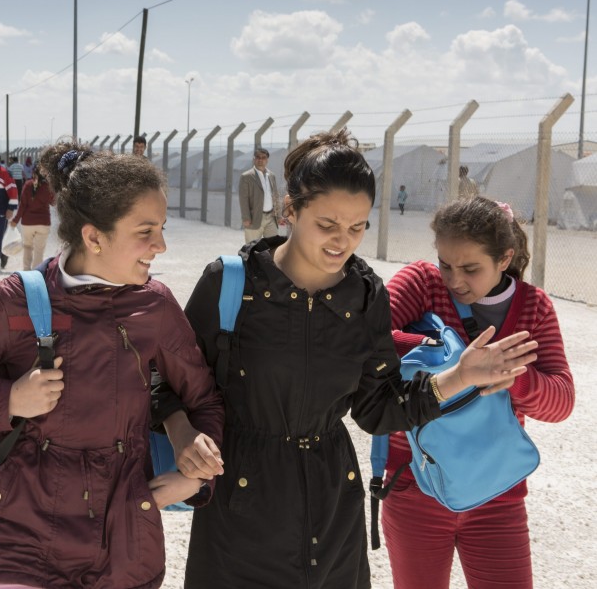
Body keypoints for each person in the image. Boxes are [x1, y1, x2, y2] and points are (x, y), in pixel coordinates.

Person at [154, 129, 537, 588]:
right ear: (291, 211)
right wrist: (181, 435)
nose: (343, 242)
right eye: (328, 225)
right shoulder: (231, 283)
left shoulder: (366, 293)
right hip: (240, 507)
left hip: (333, 505)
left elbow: (377, 409)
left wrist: (460, 376)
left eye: (357, 227)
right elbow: (165, 379)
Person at [0, 142, 224, 589]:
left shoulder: (155, 307)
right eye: (146, 231)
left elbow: (204, 399)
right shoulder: (13, 300)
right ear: (94, 237)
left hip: (125, 549)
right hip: (21, 544)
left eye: (162, 227)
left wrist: (194, 481)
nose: (161, 245)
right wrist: (10, 400)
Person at [380, 196, 573, 589]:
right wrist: (448, 355)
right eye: (446, 264)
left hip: (497, 494)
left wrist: (514, 377)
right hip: (415, 482)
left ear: (505, 259)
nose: (454, 280)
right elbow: (366, 342)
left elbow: (561, 401)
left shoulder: (533, 308)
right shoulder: (421, 282)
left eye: (471, 268)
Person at [9, 166, 55, 270]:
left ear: (33, 173)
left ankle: (26, 271)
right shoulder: (47, 186)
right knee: (39, 251)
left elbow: (22, 205)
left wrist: (15, 220)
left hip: (28, 223)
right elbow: (53, 202)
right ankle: (36, 273)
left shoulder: (27, 185)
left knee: (27, 248)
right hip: (43, 223)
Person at [238, 147, 281, 243]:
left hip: (271, 218)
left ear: (267, 160)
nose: (260, 160)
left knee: (273, 246)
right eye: (258, 157)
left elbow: (275, 196)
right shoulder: (246, 176)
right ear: (254, 159)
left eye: (263, 157)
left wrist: (278, 216)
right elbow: (243, 199)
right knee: (251, 248)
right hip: (254, 218)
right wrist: (246, 218)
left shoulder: (271, 175)